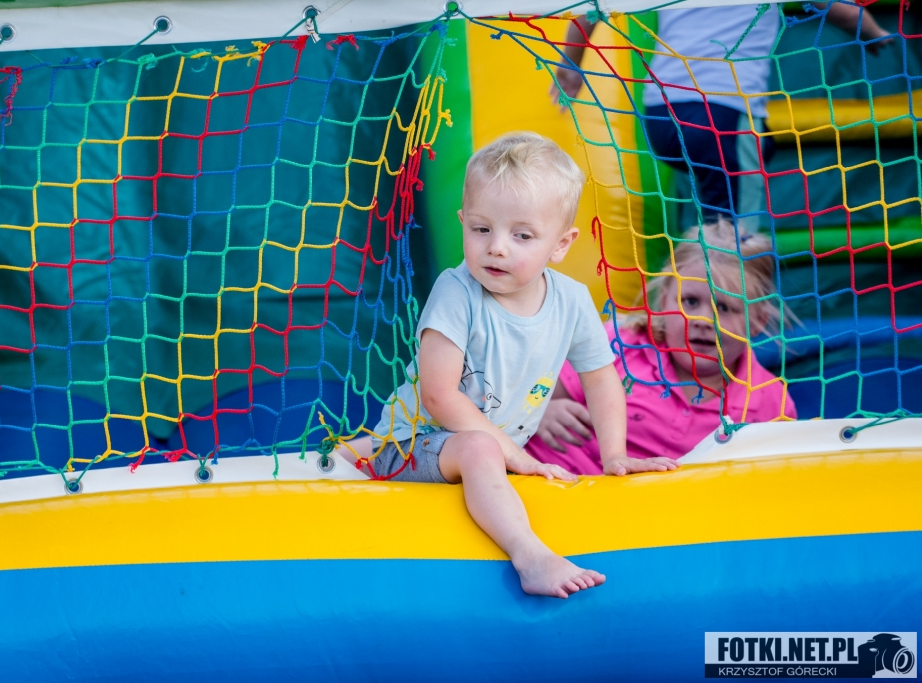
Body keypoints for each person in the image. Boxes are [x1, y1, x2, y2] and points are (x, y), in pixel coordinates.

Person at [356, 132, 675, 599]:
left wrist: (615, 454)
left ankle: (356, 451)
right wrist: (515, 455)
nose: (497, 248)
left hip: (475, 447)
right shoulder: (455, 292)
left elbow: (601, 377)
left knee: (481, 449)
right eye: (481, 229)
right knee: (479, 449)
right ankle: (531, 557)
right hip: (414, 443)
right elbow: (438, 396)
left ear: (561, 244)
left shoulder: (571, 300)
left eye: (521, 236)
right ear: (462, 222)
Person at [551, 4, 891, 229]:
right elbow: (845, 13)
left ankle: (696, 294)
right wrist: (875, 33)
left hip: (661, 115)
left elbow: (591, 8)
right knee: (736, 234)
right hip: (720, 113)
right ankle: (722, 308)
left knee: (715, 218)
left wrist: (570, 63)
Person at [526, 221, 797, 475]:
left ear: (758, 321)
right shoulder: (620, 345)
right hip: (561, 482)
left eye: (724, 307)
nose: (703, 320)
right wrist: (541, 413)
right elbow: (530, 393)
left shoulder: (769, 401)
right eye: (690, 301)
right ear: (664, 300)